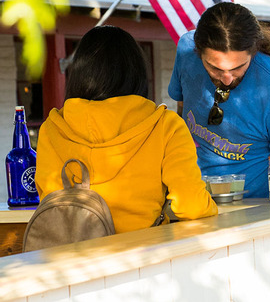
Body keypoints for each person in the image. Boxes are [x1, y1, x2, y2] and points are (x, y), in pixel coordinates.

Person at [35, 26, 217, 233]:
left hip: (69, 249)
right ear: (137, 72)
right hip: (143, 249)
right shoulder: (166, 126)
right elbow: (192, 207)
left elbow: (48, 200)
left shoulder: (52, 129)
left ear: (77, 74)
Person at [169, 2, 270, 198]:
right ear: (197, 51)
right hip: (194, 199)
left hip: (255, 207)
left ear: (254, 51)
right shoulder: (185, 52)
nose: (227, 79)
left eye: (238, 68)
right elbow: (181, 115)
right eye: (215, 68)